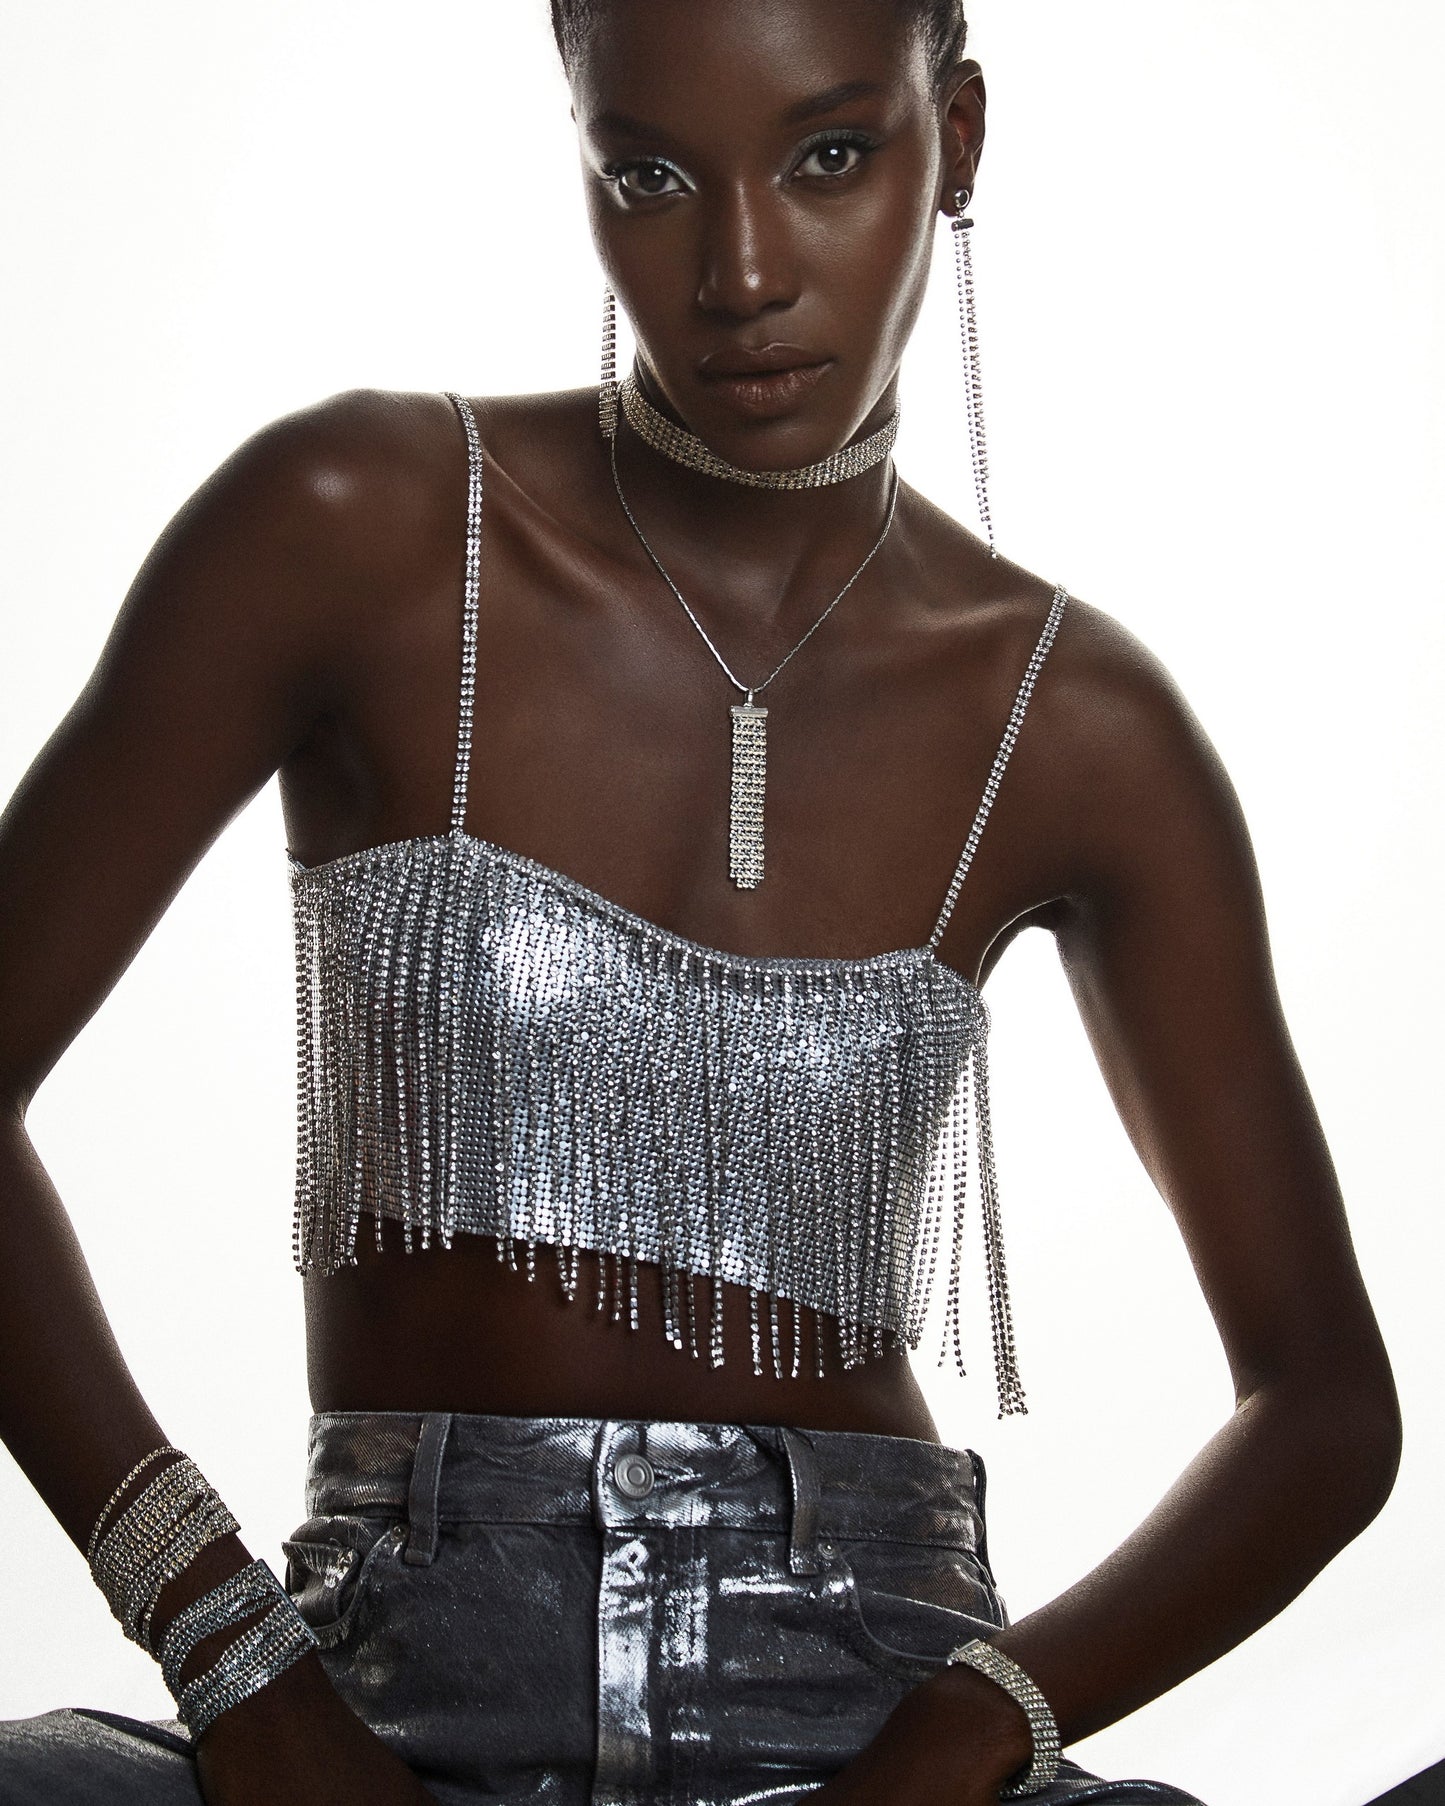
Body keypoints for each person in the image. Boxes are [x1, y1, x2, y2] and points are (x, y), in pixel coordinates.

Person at [0, 1, 1402, 1801]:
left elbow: (1321, 1405)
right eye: (651, 177)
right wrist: (231, 1655)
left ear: (956, 139)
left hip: (873, 1702)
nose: (740, 273)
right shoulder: (356, 525)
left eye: (829, 155)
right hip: (371, 1694)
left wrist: (968, 1730)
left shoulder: (1075, 723)